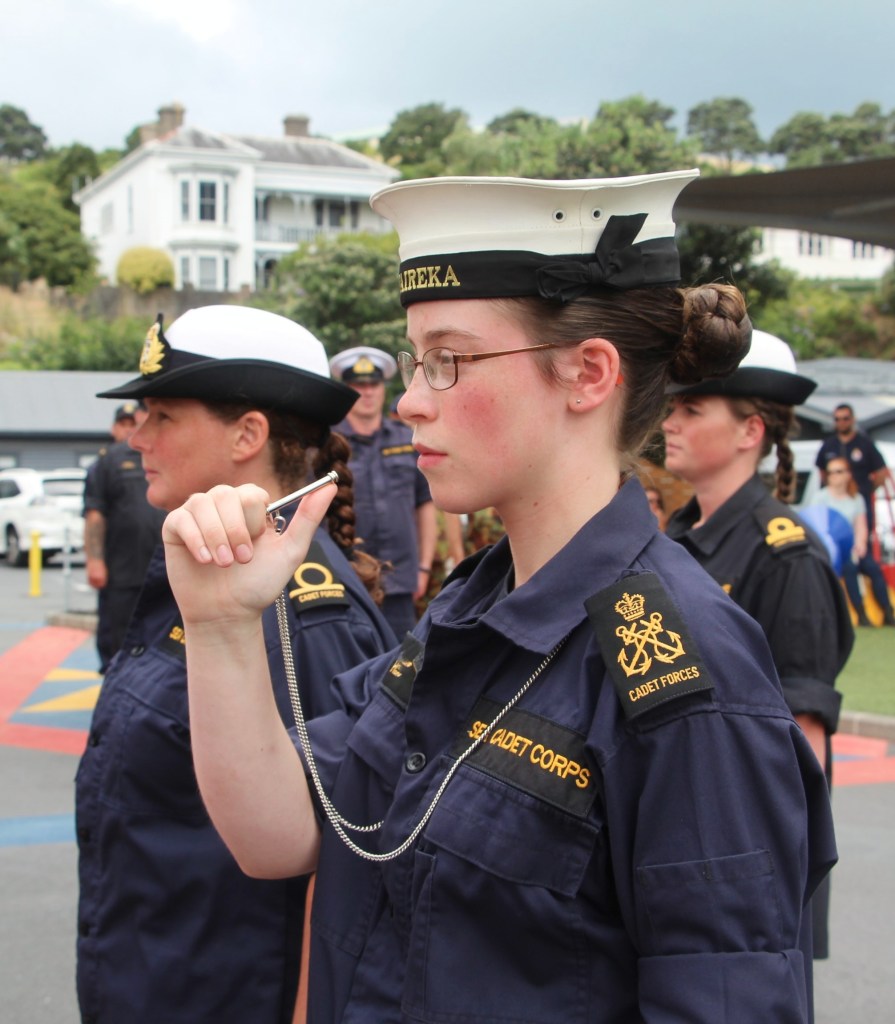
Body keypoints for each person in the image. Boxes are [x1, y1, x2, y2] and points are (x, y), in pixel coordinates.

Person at [163, 172, 837, 1022]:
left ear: (587, 374)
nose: (408, 400)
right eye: (416, 360)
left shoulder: (681, 672)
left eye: (448, 360)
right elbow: (280, 835)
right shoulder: (462, 616)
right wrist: (221, 625)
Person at [75, 306, 396, 1024]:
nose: (140, 436)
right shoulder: (215, 582)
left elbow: (341, 864)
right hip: (152, 979)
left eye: (161, 415)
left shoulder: (301, 610)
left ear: (248, 434)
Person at [662, 328, 854, 960]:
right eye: (672, 406)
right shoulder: (678, 541)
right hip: (684, 831)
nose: (671, 421)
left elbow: (805, 736)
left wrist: (774, 881)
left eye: (693, 409)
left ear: (751, 433)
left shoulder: (785, 555)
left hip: (750, 854)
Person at [329, 345, 436, 638]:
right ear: (347, 390)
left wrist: (424, 568)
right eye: (358, 385)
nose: (367, 392)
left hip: (400, 578)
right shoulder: (330, 444)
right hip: (345, 576)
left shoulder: (408, 440)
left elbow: (424, 505)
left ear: (382, 388)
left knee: (399, 668)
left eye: (373, 384)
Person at [83, 401, 167, 673]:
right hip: (122, 569)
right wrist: (95, 561)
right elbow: (95, 514)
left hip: (160, 567)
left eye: (135, 422)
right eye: (125, 423)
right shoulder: (107, 461)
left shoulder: (161, 453)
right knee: (118, 639)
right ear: (114, 427)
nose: (131, 429)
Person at [811, 456, 895, 626]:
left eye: (838, 471)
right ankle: (860, 613)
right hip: (831, 550)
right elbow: (815, 526)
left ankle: (887, 611)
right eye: (830, 472)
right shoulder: (820, 498)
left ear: (848, 474)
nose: (833, 475)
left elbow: (861, 526)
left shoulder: (855, 499)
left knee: (872, 568)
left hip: (852, 548)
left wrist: (860, 545)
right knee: (849, 569)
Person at [816, 403, 891, 532]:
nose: (841, 423)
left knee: (861, 541)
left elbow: (881, 472)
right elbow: (821, 470)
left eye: (845, 418)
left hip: (858, 499)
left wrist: (867, 489)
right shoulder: (828, 445)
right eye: (837, 419)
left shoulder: (865, 443)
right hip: (834, 504)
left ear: (852, 419)